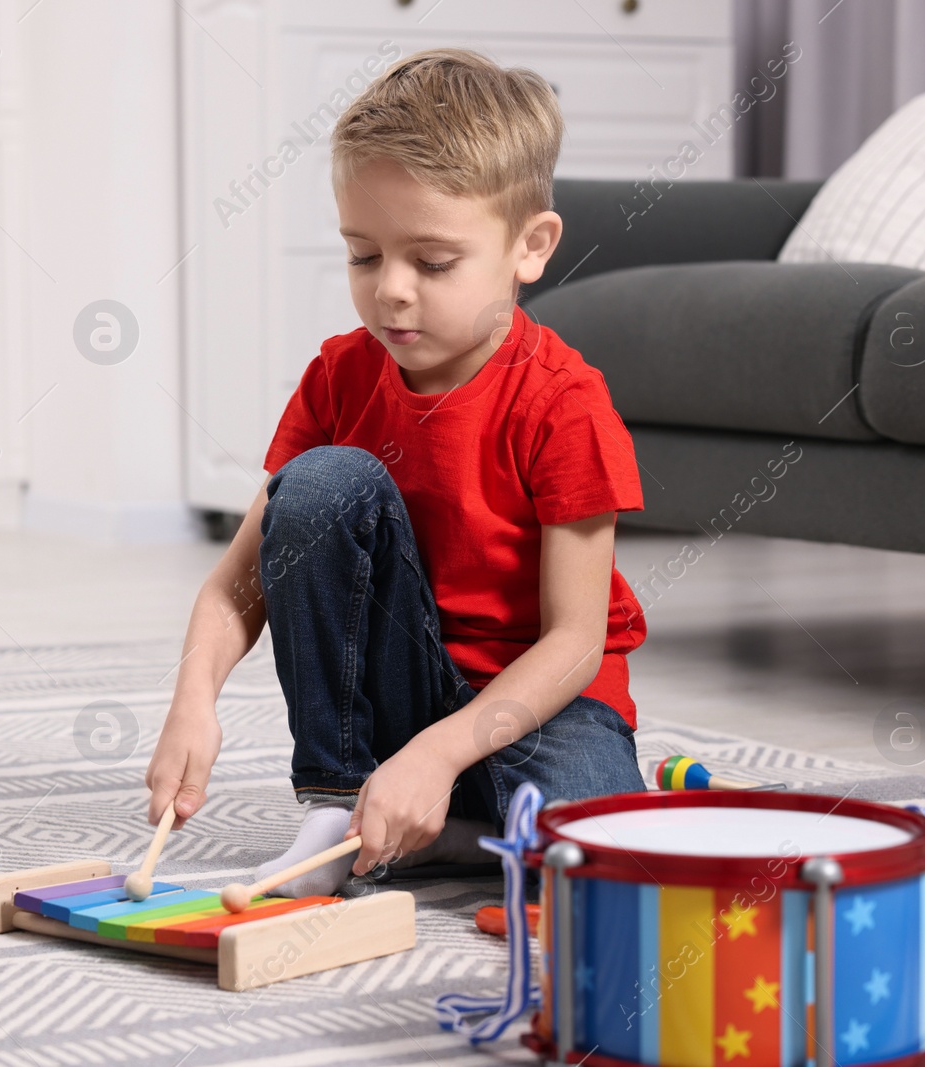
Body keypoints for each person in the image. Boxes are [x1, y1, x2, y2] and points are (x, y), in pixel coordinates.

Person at [146, 47, 648, 896]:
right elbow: (238, 582)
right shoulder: (339, 375)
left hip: (540, 701)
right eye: (364, 256)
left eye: (433, 261)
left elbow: (574, 641)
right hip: (400, 697)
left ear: (530, 247)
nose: (393, 292)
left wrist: (440, 751)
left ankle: (458, 828)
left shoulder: (565, 401)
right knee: (320, 483)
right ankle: (341, 805)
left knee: (601, 870)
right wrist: (193, 697)